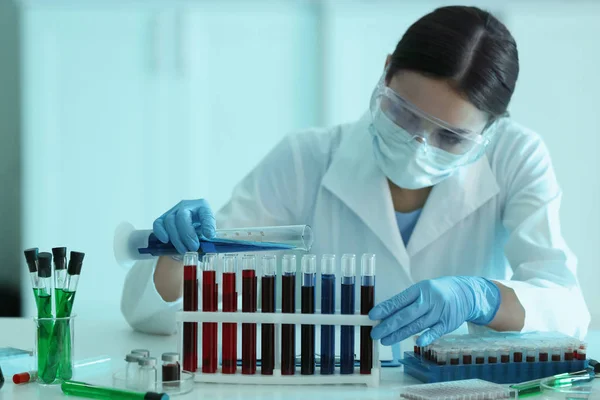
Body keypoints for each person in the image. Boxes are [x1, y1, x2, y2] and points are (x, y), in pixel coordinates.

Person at [121, 6, 590, 346]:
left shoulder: (515, 157)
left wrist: (481, 296)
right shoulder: (305, 160)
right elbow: (159, 316)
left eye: (450, 138)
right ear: (386, 73)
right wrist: (180, 258)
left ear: (491, 131)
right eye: (404, 114)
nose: (419, 145)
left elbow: (568, 310)